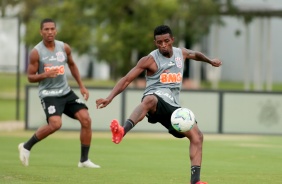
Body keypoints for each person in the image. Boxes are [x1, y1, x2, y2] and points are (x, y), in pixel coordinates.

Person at [96, 25, 222, 184]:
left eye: (166, 41)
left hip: (174, 108)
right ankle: (122, 131)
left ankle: (195, 181)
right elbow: (127, 79)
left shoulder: (180, 53)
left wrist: (210, 61)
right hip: (157, 100)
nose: (163, 45)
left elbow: (195, 54)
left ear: (172, 40)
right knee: (149, 99)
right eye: (159, 42)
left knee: (198, 137)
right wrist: (110, 97)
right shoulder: (149, 60)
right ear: (155, 42)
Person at [18, 18, 100, 168]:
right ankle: (26, 146)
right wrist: (45, 75)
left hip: (66, 92)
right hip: (49, 94)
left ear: (56, 30)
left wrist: (81, 86)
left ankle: (84, 160)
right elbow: (30, 77)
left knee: (86, 119)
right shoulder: (36, 52)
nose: (49, 32)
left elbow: (73, 65)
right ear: (41, 32)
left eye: (52, 29)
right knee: (55, 124)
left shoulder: (64, 48)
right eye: (46, 29)